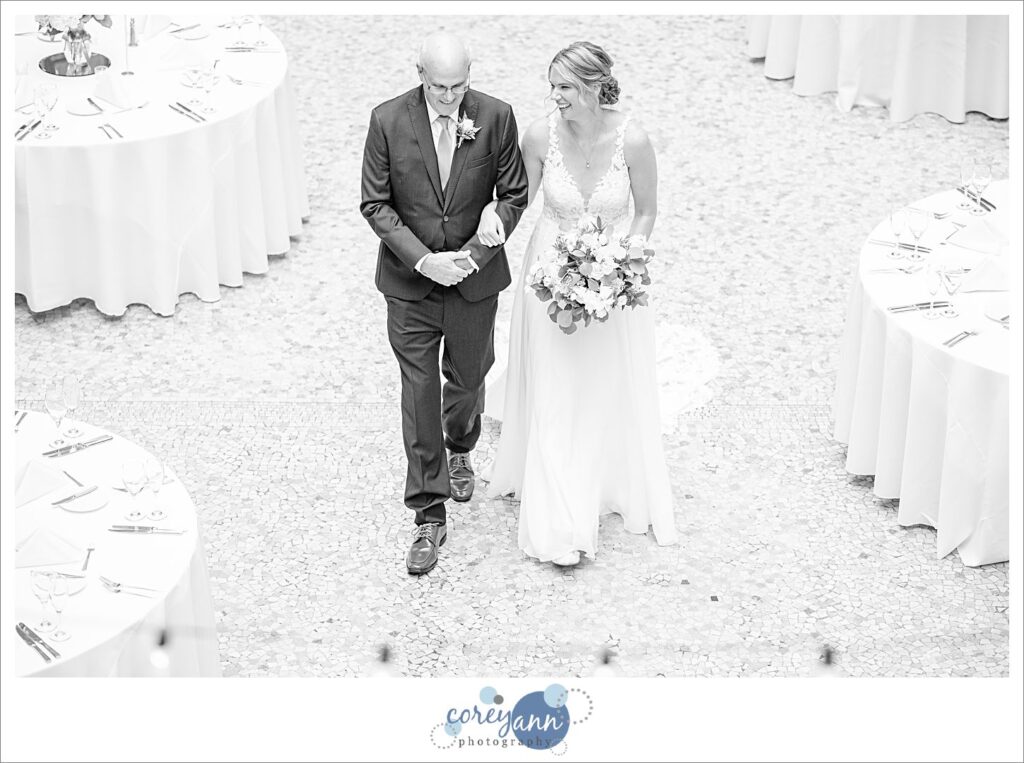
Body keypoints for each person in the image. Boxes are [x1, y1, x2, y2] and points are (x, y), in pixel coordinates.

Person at [480, 41, 678, 567]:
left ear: (594, 86)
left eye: (564, 86)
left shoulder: (632, 140)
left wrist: (620, 263)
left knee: (601, 383)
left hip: (612, 279)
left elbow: (647, 210)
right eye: (553, 86)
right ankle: (558, 522)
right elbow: (517, 199)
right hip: (549, 276)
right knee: (556, 385)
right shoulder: (540, 134)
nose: (555, 96)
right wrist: (490, 226)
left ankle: (602, 476)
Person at [361, 32, 529, 575]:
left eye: (459, 86)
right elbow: (375, 203)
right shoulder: (387, 121)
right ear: (419, 74)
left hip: (473, 280)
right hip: (411, 285)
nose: (450, 97)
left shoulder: (497, 116)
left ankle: (462, 444)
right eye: (438, 88)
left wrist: (483, 242)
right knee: (419, 391)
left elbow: (513, 192)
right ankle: (428, 513)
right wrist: (423, 260)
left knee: (470, 374)